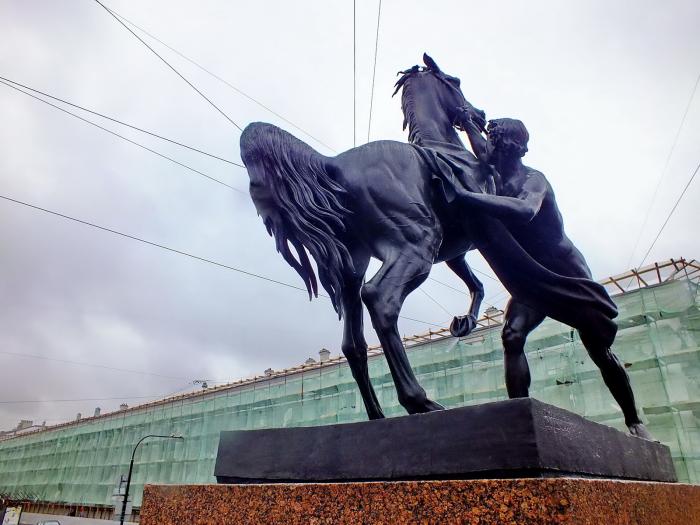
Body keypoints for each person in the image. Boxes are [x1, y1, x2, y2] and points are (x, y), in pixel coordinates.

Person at [453, 109, 652, 439]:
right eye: (492, 142)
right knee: (512, 336)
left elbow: (524, 211)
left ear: (516, 148)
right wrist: (463, 119)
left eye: (500, 144)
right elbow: (476, 141)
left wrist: (466, 198)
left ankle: (634, 420)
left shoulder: (534, 180)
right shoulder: (491, 170)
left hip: (567, 273)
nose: (493, 149)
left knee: (598, 350)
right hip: (532, 278)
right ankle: (521, 418)